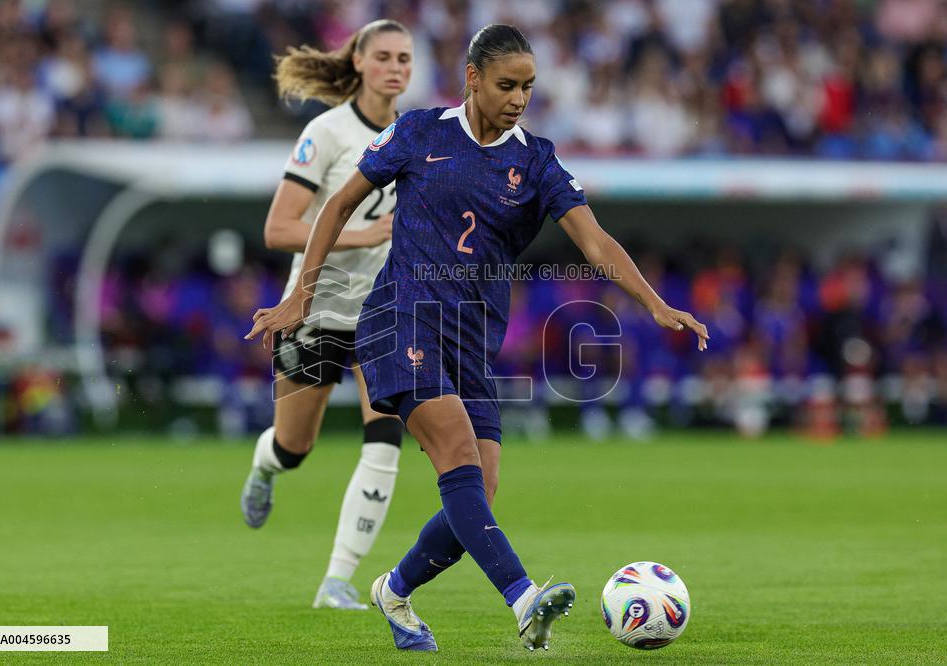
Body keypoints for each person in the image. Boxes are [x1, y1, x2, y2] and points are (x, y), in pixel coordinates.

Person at [246, 24, 708, 652]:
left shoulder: (536, 160)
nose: (519, 97)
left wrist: (654, 304)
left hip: (472, 338)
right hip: (400, 319)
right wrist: (301, 292)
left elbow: (595, 242)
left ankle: (394, 591)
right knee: (458, 460)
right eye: (507, 84)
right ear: (472, 77)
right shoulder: (418, 132)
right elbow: (336, 206)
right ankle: (523, 600)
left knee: (480, 493)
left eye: (529, 86)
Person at [239, 19, 413, 611]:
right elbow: (278, 227)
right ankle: (266, 468)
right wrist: (363, 236)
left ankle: (337, 579)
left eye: (405, 59)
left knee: (386, 438)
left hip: (384, 314)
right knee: (295, 447)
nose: (396, 68)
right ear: (359, 62)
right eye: (385, 56)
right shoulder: (328, 132)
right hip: (315, 309)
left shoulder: (416, 135)